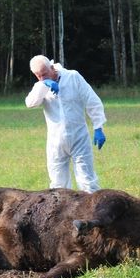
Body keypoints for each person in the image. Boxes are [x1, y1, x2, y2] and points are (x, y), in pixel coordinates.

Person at [25, 55, 107, 193]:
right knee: (58, 185)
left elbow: (92, 101)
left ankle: (92, 214)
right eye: (38, 76)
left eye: (44, 74)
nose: (42, 78)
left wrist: (98, 126)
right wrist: (43, 85)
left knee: (87, 182)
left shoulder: (73, 77)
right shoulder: (41, 86)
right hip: (55, 141)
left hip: (79, 137)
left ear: (52, 67)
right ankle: (60, 214)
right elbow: (30, 103)